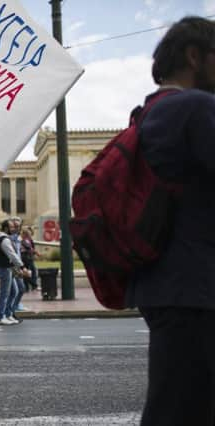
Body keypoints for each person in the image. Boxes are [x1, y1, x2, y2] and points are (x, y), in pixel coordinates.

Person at [126, 16, 215, 426]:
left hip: (163, 283)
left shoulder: (148, 112)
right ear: (196, 57)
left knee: (175, 403)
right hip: (197, 287)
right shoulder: (196, 107)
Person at [0, 219, 26, 325]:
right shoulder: (4, 239)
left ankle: (8, 314)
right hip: (4, 268)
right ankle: (0, 316)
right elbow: (12, 254)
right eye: (11, 227)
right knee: (5, 293)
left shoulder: (4, 238)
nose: (14, 229)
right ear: (6, 228)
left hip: (8, 268)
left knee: (14, 291)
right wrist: (22, 266)